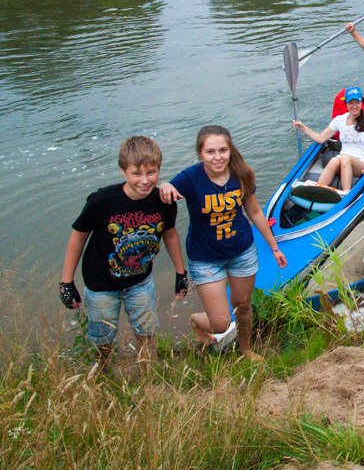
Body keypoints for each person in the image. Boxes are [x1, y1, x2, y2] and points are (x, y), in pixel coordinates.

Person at [159, 125, 287, 358]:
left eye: (222, 150)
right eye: (210, 152)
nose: (217, 157)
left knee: (244, 306)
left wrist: (274, 246)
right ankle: (197, 320)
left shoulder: (242, 173)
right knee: (220, 324)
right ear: (200, 153)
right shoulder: (190, 178)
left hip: (242, 251)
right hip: (205, 258)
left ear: (230, 150)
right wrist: (166, 185)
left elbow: (255, 212)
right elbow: (169, 188)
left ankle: (246, 349)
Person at [59, 136, 187, 368]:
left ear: (159, 169)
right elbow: (78, 236)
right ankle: (102, 373)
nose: (145, 180)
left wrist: (180, 272)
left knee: (147, 331)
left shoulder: (164, 202)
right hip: (101, 285)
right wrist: (66, 282)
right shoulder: (102, 201)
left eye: (152, 172)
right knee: (102, 337)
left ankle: (149, 374)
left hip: (140, 281)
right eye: (136, 173)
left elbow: (170, 234)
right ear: (122, 171)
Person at [292, 86, 364, 194]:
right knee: (334, 160)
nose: (354, 106)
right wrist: (303, 128)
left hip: (363, 165)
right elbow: (321, 138)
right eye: (351, 103)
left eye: (357, 102)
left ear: (362, 103)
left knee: (345, 158)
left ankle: (346, 193)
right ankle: (318, 191)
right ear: (346, 104)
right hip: (343, 162)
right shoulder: (339, 120)